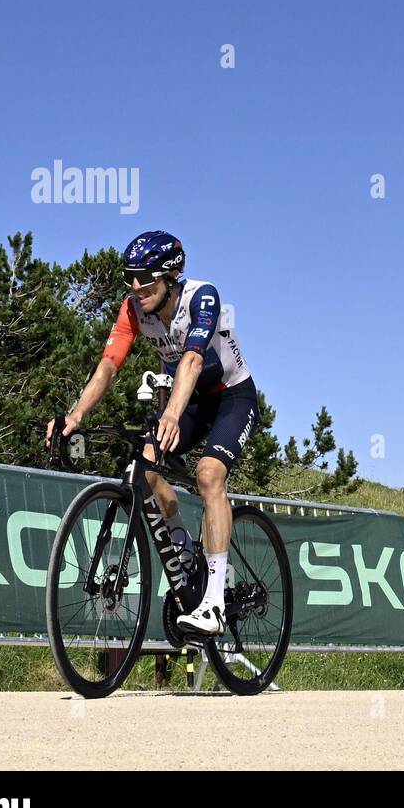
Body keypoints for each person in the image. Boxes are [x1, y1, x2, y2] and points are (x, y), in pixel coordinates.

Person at [46, 231, 258, 636]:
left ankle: (213, 602)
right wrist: (74, 416)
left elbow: (193, 360)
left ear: (172, 275)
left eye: (146, 278)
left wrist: (172, 415)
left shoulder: (202, 297)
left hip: (231, 396)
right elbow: (108, 366)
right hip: (188, 399)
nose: (136, 287)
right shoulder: (133, 310)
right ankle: (181, 559)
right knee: (146, 468)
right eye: (131, 277)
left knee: (209, 474)